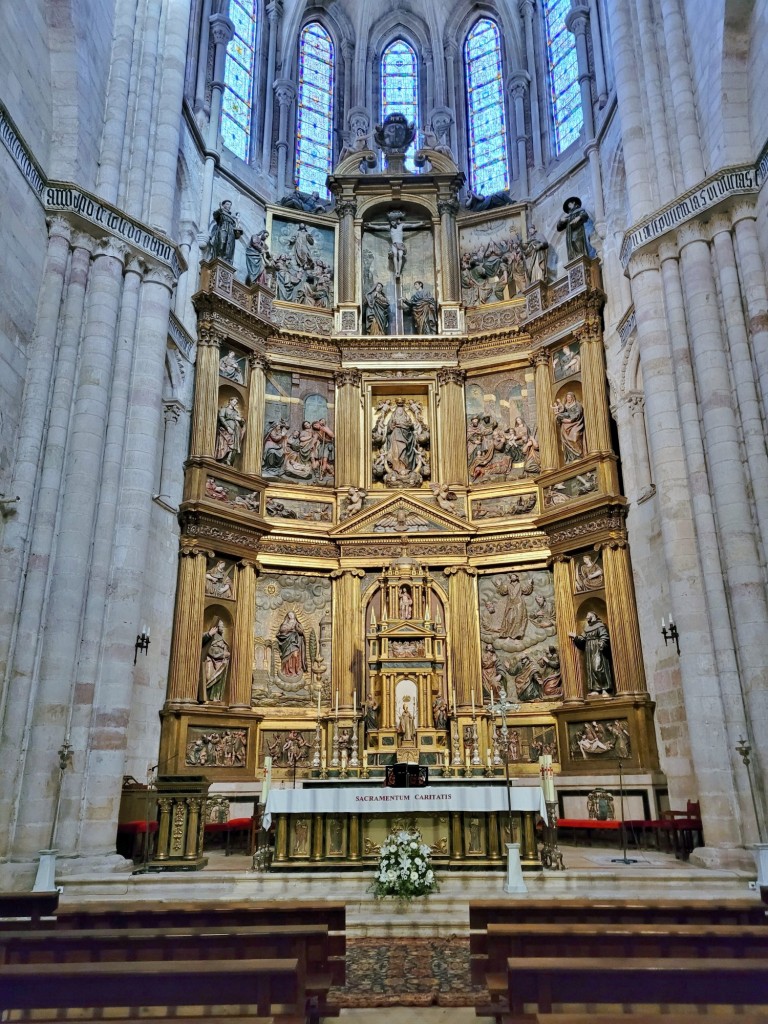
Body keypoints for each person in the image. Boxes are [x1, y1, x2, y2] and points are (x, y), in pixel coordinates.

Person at [569, 611, 615, 696]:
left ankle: (605, 688)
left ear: (593, 615)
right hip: (589, 650)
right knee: (591, 669)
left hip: (597, 648)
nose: (586, 616)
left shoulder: (600, 625)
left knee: (598, 667)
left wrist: (602, 642)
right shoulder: (587, 628)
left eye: (588, 615)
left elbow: (604, 635)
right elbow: (582, 638)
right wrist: (575, 637)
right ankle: (596, 689)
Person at [200, 620, 230, 702]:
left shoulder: (222, 639)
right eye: (221, 626)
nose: (223, 628)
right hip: (209, 661)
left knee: (218, 680)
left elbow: (224, 649)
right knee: (208, 677)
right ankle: (205, 696)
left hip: (220, 663)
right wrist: (209, 634)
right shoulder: (209, 634)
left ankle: (215, 697)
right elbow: (200, 643)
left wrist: (225, 655)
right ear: (216, 626)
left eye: (223, 626)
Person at [554, 391, 586, 463]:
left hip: (576, 424)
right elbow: (563, 412)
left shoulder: (577, 405)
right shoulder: (566, 406)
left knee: (575, 437)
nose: (568, 399)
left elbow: (578, 414)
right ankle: (571, 458)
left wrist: (570, 420)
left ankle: (579, 455)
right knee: (565, 441)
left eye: (569, 397)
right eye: (567, 397)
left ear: (572, 397)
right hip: (565, 426)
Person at [556, 196, 591, 261]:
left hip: (578, 231)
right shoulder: (569, 216)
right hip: (569, 235)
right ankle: (574, 260)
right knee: (571, 247)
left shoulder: (579, 210)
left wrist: (579, 217)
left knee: (577, 243)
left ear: (574, 203)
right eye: (568, 206)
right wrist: (561, 221)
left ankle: (581, 259)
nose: (569, 207)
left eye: (569, 204)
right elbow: (559, 228)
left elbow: (585, 215)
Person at [214, 397, 246, 465]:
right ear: (230, 401)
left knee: (234, 446)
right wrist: (228, 427)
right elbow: (221, 418)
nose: (235, 403)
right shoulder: (224, 409)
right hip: (225, 430)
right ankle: (223, 459)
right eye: (234, 402)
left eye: (236, 402)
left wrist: (241, 420)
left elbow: (241, 422)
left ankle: (229, 460)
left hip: (235, 431)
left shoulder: (235, 412)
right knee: (227, 444)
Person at [275, 610, 307, 677]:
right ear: (288, 616)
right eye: (289, 614)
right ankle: (287, 671)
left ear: (294, 615)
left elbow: (301, 632)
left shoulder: (297, 623)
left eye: (292, 614)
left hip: (295, 642)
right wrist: (288, 629)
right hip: (286, 642)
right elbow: (281, 630)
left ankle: (295, 670)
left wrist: (297, 629)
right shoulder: (285, 623)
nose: (290, 615)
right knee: (287, 657)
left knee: (295, 655)